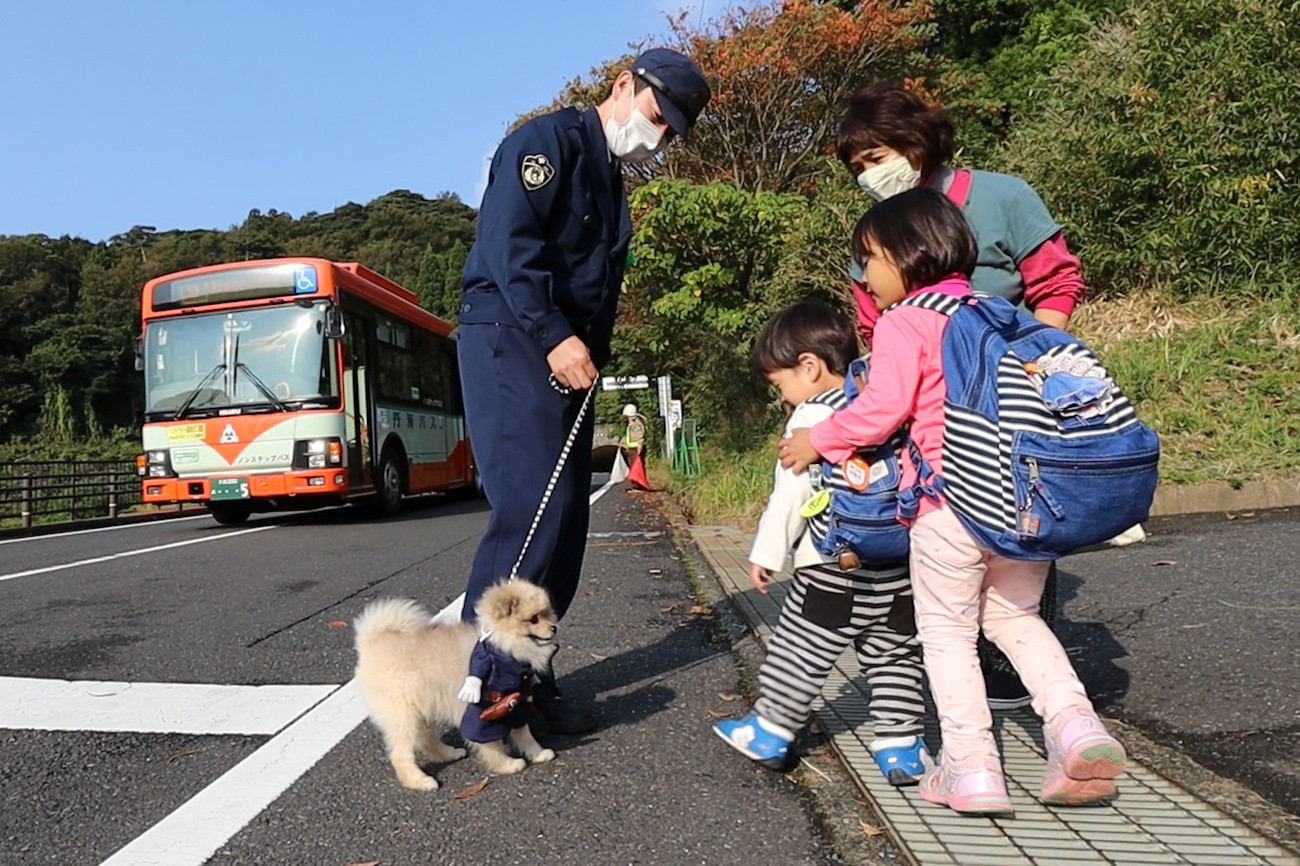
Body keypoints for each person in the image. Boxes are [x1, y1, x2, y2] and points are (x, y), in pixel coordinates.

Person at [782, 188, 1126, 814]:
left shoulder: (906, 319)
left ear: (904, 254)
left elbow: (882, 409)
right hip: (1021, 504)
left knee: (946, 633)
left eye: (869, 259)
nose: (865, 276)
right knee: (1018, 620)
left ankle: (971, 767)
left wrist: (818, 440)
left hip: (951, 505)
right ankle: (1076, 726)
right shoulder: (996, 310)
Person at [454, 48, 711, 735]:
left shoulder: (609, 174)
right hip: (513, 335)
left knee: (566, 517)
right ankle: (481, 689)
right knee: (530, 511)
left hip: (568, 354)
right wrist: (553, 334)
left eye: (671, 131)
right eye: (657, 115)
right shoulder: (546, 144)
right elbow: (509, 246)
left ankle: (527, 675)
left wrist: (586, 346)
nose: (658, 136)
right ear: (624, 85)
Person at [834, 81, 1102, 711]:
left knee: (1019, 526)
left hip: (1006, 403)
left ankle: (1006, 683)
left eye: (876, 158)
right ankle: (953, 675)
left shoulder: (1003, 196)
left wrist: (1030, 359)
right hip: (923, 412)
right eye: (857, 167)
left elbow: (1057, 280)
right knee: (935, 537)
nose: (869, 175)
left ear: (915, 141)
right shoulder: (875, 232)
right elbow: (871, 323)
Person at [713, 303, 931, 785]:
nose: (783, 397)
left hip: (830, 567)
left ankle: (771, 730)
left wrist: (767, 554)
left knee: (799, 650)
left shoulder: (812, 417)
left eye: (780, 384)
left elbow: (790, 494)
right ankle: (902, 748)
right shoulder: (883, 403)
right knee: (895, 657)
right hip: (897, 565)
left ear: (809, 366)